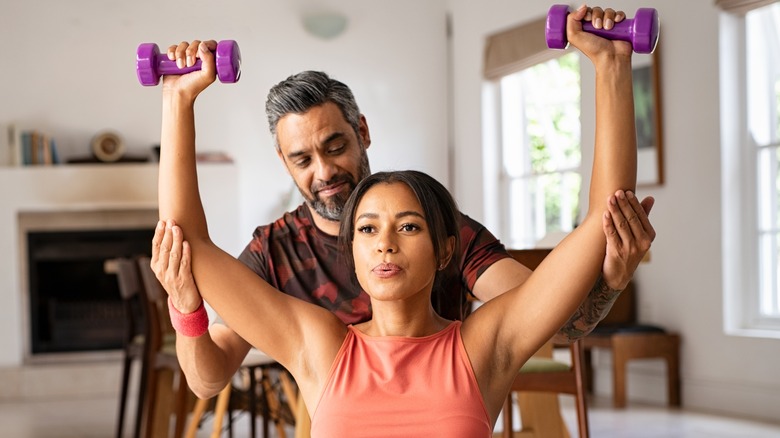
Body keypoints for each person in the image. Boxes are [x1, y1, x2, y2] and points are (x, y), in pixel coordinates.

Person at [153, 3, 654, 431]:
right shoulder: (317, 341)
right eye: (367, 229)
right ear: (351, 248)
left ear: (445, 248)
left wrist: (612, 66)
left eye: (408, 226)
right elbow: (188, 245)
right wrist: (177, 98)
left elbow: (599, 223)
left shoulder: (486, 344)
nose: (384, 243)